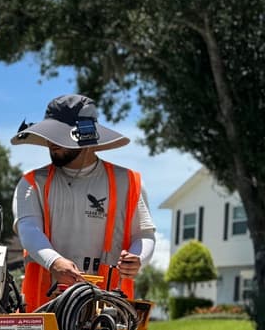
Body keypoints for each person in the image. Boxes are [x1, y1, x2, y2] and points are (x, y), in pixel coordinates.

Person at [11, 94, 156, 311]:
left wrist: (137, 258)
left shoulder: (127, 182)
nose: (51, 144)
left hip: (109, 308)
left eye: (59, 138)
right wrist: (54, 262)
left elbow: (144, 235)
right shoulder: (33, 182)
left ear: (86, 137)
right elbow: (29, 230)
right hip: (43, 308)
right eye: (50, 136)